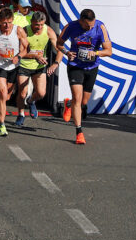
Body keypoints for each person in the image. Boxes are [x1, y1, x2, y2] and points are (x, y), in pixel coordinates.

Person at [55, 9, 112, 144]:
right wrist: (67, 52)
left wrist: (96, 53)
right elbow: (59, 44)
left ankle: (69, 104)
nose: (90, 28)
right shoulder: (71, 26)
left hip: (91, 67)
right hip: (75, 66)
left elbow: (109, 51)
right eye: (87, 25)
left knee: (83, 102)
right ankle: (79, 132)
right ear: (81, 21)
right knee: (78, 97)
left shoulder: (100, 27)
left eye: (92, 25)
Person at [0, 7, 28, 137]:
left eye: (9, 22)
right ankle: (2, 125)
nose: (6, 25)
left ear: (12, 21)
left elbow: (26, 48)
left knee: (7, 97)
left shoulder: (18, 30)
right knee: (3, 93)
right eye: (4, 22)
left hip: (13, 67)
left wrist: (19, 56)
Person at [14, 11, 58, 127]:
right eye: (36, 25)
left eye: (41, 25)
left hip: (39, 66)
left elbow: (60, 48)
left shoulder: (48, 31)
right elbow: (20, 53)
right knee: (22, 93)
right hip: (24, 65)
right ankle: (21, 114)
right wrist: (35, 56)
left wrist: (55, 64)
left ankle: (31, 101)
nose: (39, 27)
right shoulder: (24, 31)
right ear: (31, 22)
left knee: (41, 93)